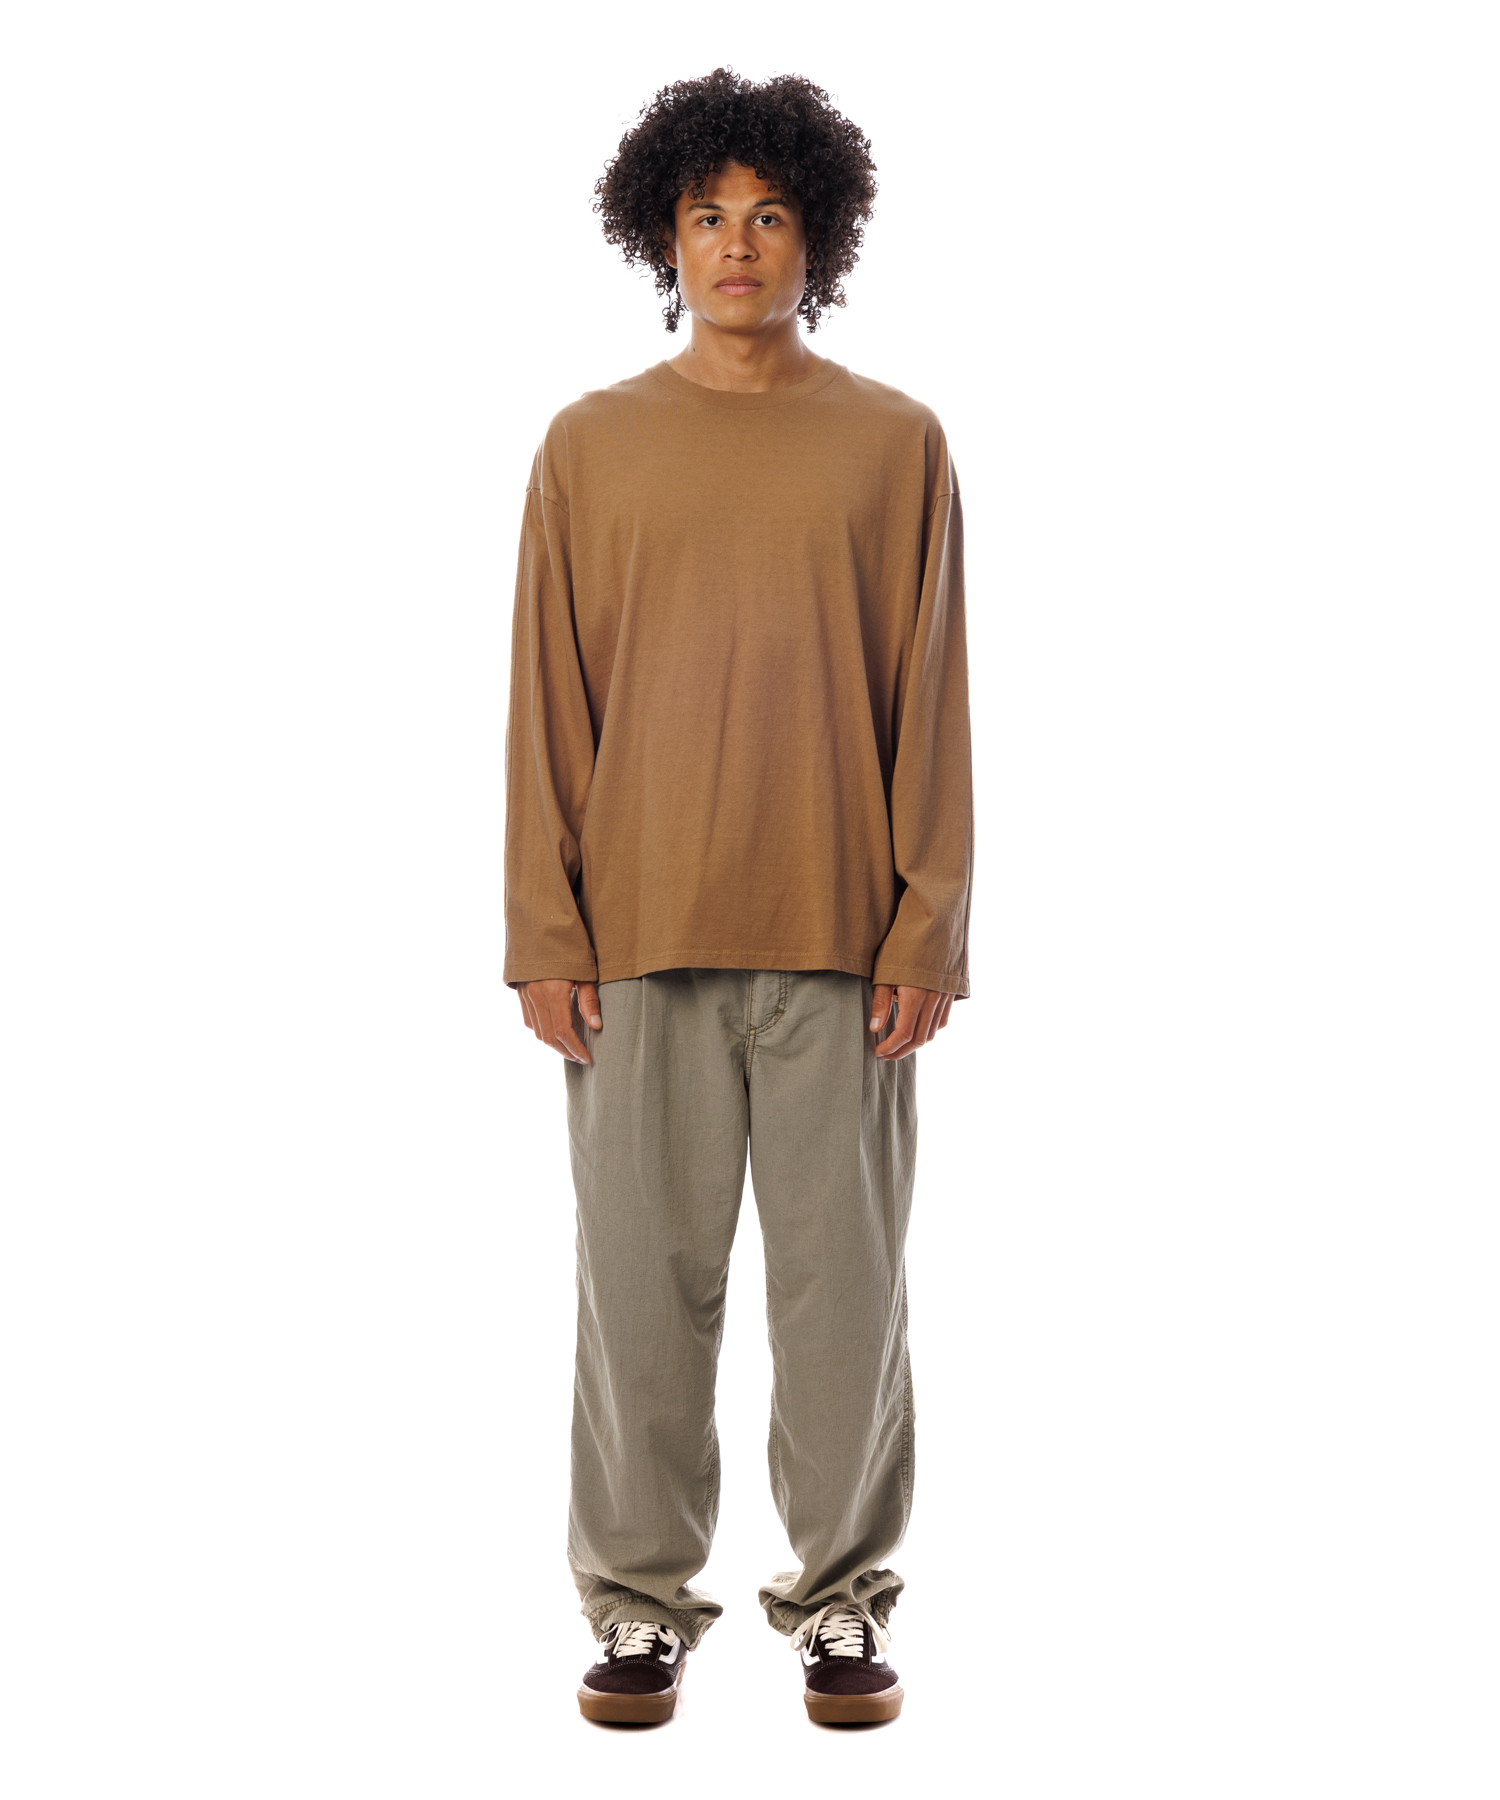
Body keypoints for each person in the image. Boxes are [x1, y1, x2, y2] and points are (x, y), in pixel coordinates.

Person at [504, 68, 973, 1726]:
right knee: (638, 1299)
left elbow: (932, 696)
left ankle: (842, 1602)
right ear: (663, 236)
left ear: (816, 236)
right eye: (707, 215)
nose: (738, 245)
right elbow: (546, 705)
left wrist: (928, 925)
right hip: (635, 942)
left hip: (844, 943)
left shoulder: (896, 445)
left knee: (846, 1302)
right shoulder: (589, 447)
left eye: (769, 215)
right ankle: (637, 1606)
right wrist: (544, 931)